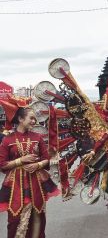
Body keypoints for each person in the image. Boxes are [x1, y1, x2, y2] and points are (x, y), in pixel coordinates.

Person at [0, 97, 59, 238]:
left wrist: (38, 164)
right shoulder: (7, 140)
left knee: (38, 215)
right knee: (15, 219)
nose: (34, 121)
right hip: (15, 184)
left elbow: (47, 159)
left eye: (35, 119)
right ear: (20, 119)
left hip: (36, 182)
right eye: (31, 118)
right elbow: (2, 164)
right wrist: (21, 160)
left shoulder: (37, 137)